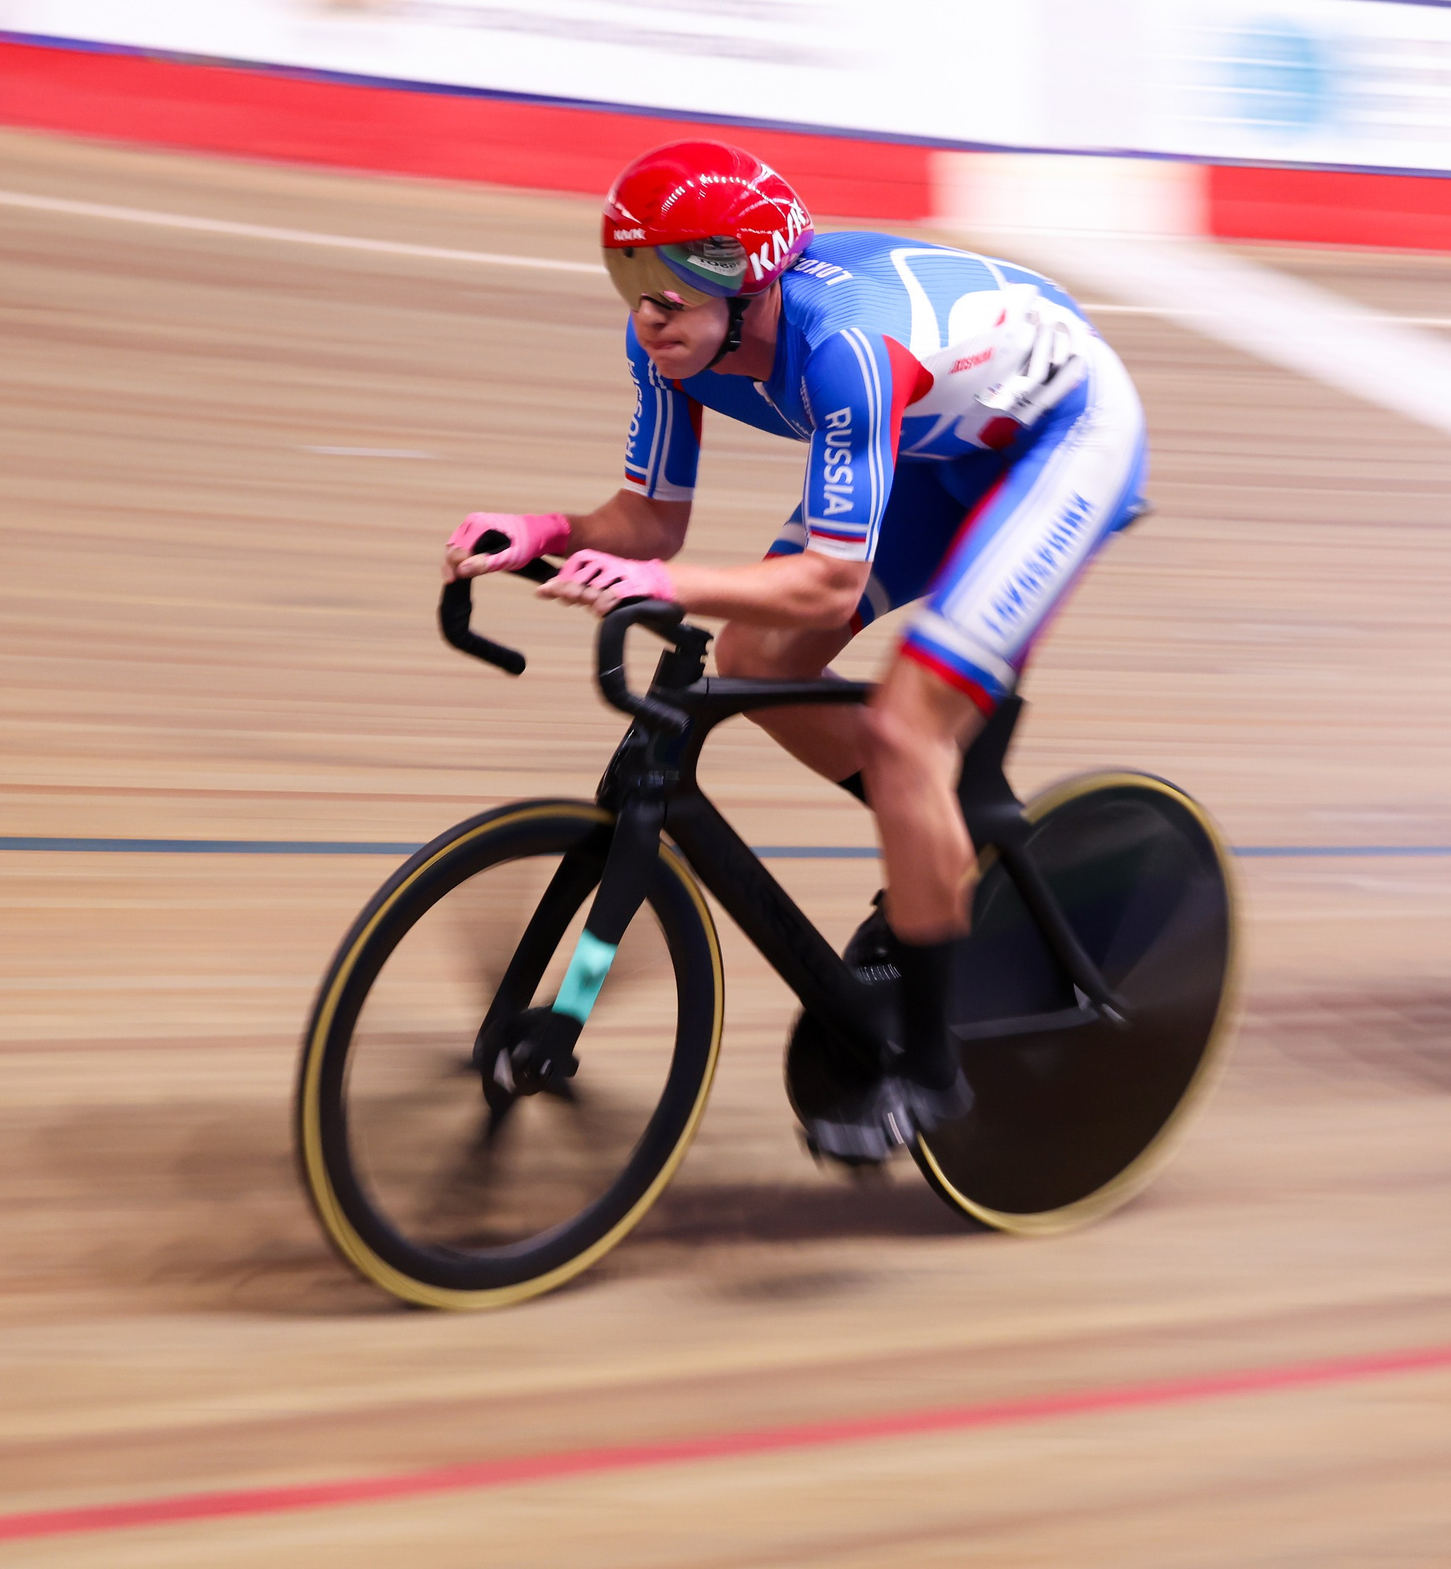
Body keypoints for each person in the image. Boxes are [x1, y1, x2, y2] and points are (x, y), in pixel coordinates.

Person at [442, 139, 1147, 1161]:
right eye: (630, 276)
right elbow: (649, 524)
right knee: (758, 657)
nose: (648, 308)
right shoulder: (671, 343)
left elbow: (819, 576)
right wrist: (547, 530)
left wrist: (660, 587)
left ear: (751, 279)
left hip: (1061, 443)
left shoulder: (840, 350)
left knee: (907, 733)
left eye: (673, 281)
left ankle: (930, 1072)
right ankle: (936, 858)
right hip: (938, 441)